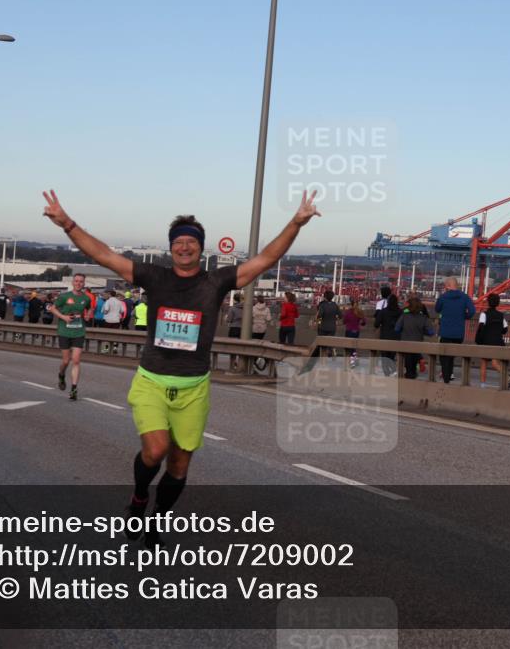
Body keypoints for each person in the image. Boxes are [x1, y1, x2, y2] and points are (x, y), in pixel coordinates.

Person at [41, 187, 320, 546]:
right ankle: (140, 498)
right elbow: (106, 256)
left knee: (178, 466)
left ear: (200, 248)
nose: (184, 247)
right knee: (155, 451)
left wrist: (296, 223)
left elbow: (265, 259)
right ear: (170, 246)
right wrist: (67, 224)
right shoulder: (155, 277)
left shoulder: (216, 282)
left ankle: (158, 519)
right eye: (178, 242)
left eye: (191, 242)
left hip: (193, 388)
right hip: (152, 381)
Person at [50, 273, 92, 401]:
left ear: (84, 283)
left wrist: (88, 315)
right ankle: (61, 375)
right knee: (65, 361)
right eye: (76, 281)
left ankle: (74, 388)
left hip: (79, 331)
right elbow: (52, 308)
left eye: (81, 281)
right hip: (64, 331)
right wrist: (64, 317)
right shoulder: (64, 297)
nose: (79, 283)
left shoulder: (86, 298)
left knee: (76, 360)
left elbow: (90, 309)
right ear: (72, 283)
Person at [434, 277, 475, 384]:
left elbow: (437, 309)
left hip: (445, 332)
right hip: (459, 334)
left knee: (444, 356)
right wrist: (464, 316)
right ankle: (449, 374)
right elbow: (472, 311)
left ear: (447, 285)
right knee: (451, 356)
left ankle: (446, 378)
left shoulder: (443, 297)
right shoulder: (465, 297)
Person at [395, 296, 434, 379]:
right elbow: (431, 332)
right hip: (418, 344)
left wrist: (404, 330)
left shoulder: (404, 316)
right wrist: (422, 331)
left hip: (405, 343)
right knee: (413, 363)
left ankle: (409, 377)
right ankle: (413, 374)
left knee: (408, 364)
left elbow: (397, 329)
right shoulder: (424, 318)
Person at [475, 293, 508, 388]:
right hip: (497, 342)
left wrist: (479, 340)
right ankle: (506, 375)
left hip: (486, 342)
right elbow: (505, 329)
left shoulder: (484, 314)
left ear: (488, 303)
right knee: (495, 363)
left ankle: (482, 385)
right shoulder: (501, 315)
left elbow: (480, 328)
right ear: (498, 303)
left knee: (484, 363)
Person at [374, 293, 402, 376]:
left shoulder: (383, 311)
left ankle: (387, 373)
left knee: (384, 356)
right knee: (392, 356)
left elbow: (376, 324)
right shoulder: (400, 312)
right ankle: (393, 370)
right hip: (396, 337)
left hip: (385, 336)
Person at [315, 290, 341, 356]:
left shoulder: (322, 305)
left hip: (323, 327)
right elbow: (340, 315)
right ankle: (331, 353)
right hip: (332, 327)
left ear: (325, 297)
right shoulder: (335, 305)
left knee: (322, 342)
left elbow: (319, 316)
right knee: (330, 341)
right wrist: (335, 319)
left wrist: (317, 321)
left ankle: (322, 356)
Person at [342, 297, 366, 366]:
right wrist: (360, 323)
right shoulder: (359, 311)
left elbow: (344, 321)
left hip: (349, 331)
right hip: (356, 331)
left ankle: (352, 362)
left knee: (349, 347)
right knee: (354, 346)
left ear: (351, 304)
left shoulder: (348, 312)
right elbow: (364, 322)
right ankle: (354, 359)